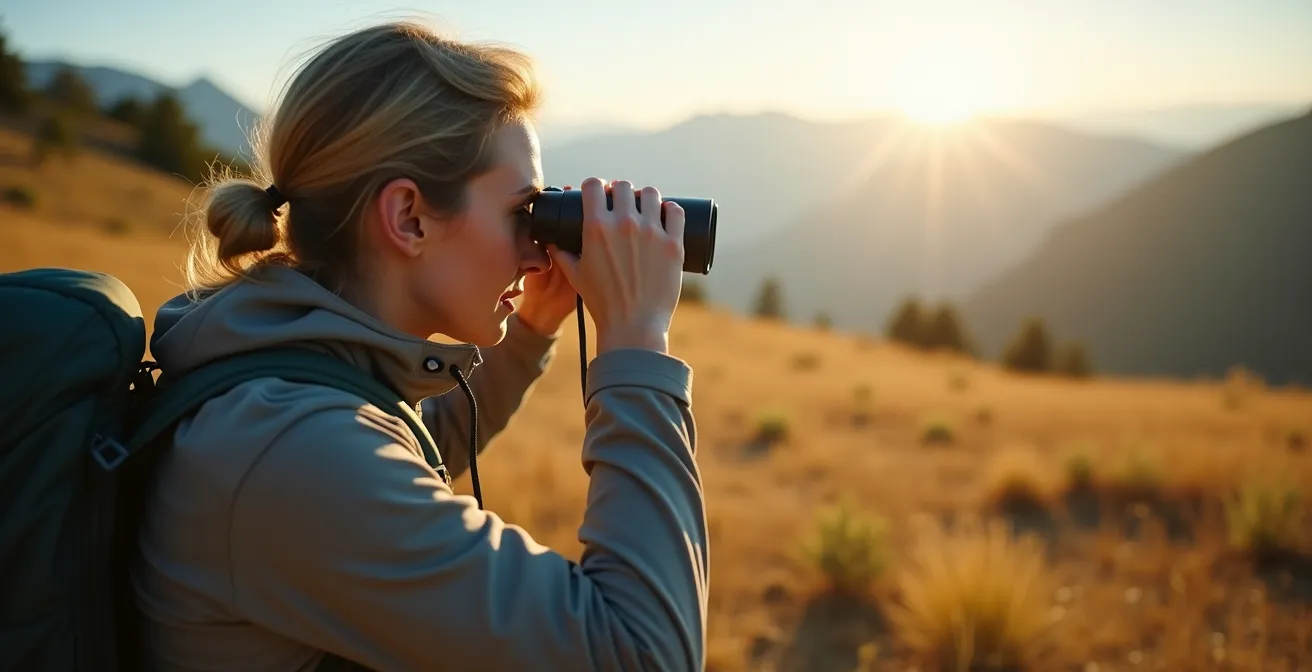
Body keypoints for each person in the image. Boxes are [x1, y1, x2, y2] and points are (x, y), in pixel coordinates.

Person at [131, 19, 708, 672]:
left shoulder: (286, 368)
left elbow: (417, 436)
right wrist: (636, 343)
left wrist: (532, 329)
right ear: (408, 217)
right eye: (522, 212)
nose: (537, 245)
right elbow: (639, 652)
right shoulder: (291, 453)